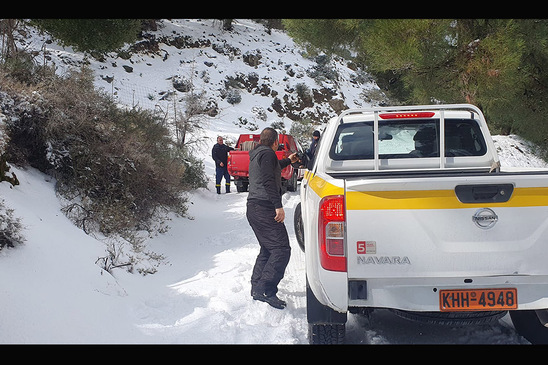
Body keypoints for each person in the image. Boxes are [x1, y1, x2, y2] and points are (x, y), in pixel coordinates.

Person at [246, 127, 299, 309]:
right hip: (264, 207)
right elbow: (269, 180)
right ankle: (266, 290)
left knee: (268, 248)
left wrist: (287, 161)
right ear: (275, 142)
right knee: (281, 249)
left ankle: (257, 288)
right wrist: (278, 206)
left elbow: (271, 169)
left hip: (254, 207)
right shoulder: (268, 154)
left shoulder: (259, 154)